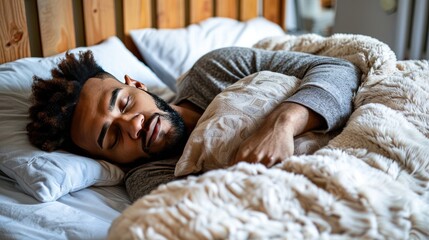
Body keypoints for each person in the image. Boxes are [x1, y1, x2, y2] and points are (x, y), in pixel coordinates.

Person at [27, 47, 361, 171]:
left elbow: (340, 69)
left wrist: (282, 125)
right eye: (112, 138)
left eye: (125, 103)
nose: (133, 125)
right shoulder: (150, 179)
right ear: (110, 161)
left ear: (137, 85)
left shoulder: (213, 70)